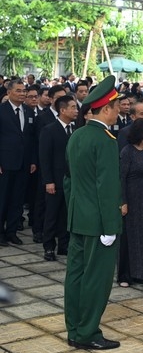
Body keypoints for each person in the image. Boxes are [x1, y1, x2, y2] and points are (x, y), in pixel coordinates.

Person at [64, 75, 122, 350]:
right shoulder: (105, 140)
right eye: (116, 106)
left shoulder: (77, 135)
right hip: (99, 223)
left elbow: (69, 180)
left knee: (75, 276)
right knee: (96, 280)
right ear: (105, 109)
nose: (119, 110)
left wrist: (75, 210)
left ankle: (75, 329)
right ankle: (87, 333)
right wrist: (110, 226)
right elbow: (107, 187)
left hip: (78, 218)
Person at [117, 119, 143, 287]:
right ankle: (125, 275)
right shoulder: (127, 152)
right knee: (129, 238)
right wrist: (123, 202)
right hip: (132, 200)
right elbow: (121, 178)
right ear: (142, 134)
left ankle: (142, 272)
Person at [39, 95, 77, 261]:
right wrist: (48, 181)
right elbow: (45, 158)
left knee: (66, 214)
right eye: (73, 107)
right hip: (54, 180)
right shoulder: (50, 129)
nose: (76, 111)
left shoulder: (76, 130)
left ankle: (64, 245)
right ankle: (48, 246)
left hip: (71, 180)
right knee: (52, 214)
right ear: (62, 110)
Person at [0, 79, 37, 247]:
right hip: (5, 163)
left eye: (24, 91)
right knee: (3, 198)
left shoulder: (29, 112)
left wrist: (33, 161)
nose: (22, 93)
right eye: (19, 90)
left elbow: (32, 139)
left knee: (18, 200)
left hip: (24, 163)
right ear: (9, 92)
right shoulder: (2, 111)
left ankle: (12, 232)